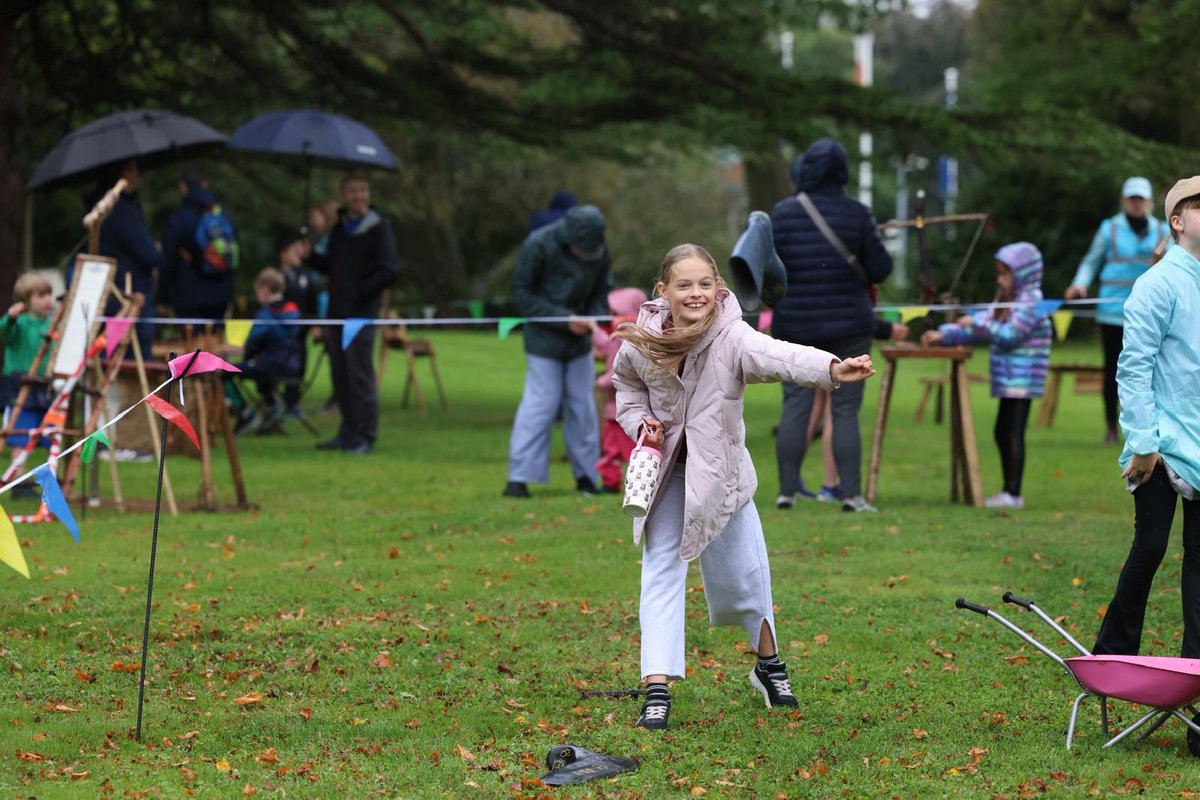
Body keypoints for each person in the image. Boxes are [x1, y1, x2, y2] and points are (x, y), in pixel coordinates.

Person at [611, 243, 874, 730]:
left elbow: (781, 356)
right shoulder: (641, 342)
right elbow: (625, 388)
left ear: (719, 289)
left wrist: (833, 369)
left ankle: (768, 666)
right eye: (684, 285)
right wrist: (641, 421)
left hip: (722, 478)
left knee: (747, 575)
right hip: (668, 474)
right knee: (660, 571)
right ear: (662, 290)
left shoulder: (733, 338)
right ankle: (656, 687)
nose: (695, 294)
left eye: (705, 284)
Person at [1093, 176, 1200, 659]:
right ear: (1177, 222)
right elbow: (1132, 369)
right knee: (1150, 549)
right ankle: (1114, 657)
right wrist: (1143, 442)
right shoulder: (1157, 284)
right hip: (1159, 444)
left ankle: (1194, 680)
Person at [770, 138, 893, 512]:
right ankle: (852, 495)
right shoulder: (857, 213)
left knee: (795, 406)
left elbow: (767, 273)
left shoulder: (782, 213)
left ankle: (786, 492)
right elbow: (881, 269)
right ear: (843, 172)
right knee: (844, 411)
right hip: (849, 326)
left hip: (796, 325)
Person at [921, 243, 1052, 509]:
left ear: (1023, 274)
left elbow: (1008, 336)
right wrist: (944, 334)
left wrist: (977, 323)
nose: (1000, 279)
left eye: (1006, 274)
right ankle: (1008, 491)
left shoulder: (1032, 302)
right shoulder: (1005, 301)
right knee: (1002, 431)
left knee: (1011, 432)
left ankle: (1013, 494)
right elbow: (980, 328)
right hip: (1009, 380)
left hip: (1022, 380)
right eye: (1000, 274)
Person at [502, 205, 612, 498]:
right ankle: (518, 479)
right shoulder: (537, 245)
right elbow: (523, 294)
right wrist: (562, 319)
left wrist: (591, 318)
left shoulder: (601, 250)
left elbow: (602, 293)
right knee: (541, 405)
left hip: (580, 343)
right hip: (542, 342)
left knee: (583, 408)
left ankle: (588, 477)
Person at [1065, 177, 1168, 443]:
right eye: (1132, 199)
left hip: (1150, 312)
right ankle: (1111, 427)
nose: (1136, 204)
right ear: (1124, 200)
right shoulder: (1109, 228)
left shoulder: (1163, 229)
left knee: (1152, 370)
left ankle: (1149, 426)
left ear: (1148, 202)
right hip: (1112, 311)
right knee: (1113, 370)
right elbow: (1091, 261)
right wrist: (1079, 284)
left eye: (1141, 199)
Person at [312, 174, 399, 454]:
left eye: (363, 190)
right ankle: (348, 431)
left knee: (360, 375)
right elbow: (331, 267)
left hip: (360, 314)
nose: (359, 196)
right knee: (341, 376)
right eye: (353, 191)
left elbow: (388, 270)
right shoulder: (340, 229)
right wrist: (307, 257)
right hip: (336, 313)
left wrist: (359, 292)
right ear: (343, 195)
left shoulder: (379, 228)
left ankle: (365, 434)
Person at [87, 160, 162, 357]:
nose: (135, 174)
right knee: (121, 357)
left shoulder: (100, 204)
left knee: (110, 353)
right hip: (126, 296)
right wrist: (155, 251)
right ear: (123, 173)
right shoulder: (122, 210)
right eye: (132, 169)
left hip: (112, 293)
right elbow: (148, 254)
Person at [160, 172, 236, 325]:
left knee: (191, 344)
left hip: (188, 294)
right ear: (205, 184)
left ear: (183, 188)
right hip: (220, 294)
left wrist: (162, 297)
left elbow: (168, 259)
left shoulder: (178, 219)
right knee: (215, 344)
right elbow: (232, 256)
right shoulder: (223, 217)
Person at [592, 286, 648, 492]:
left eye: (615, 312)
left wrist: (603, 381)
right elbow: (606, 346)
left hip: (626, 409)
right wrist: (592, 329)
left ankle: (639, 484)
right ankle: (610, 482)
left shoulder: (630, 338)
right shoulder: (619, 335)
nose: (611, 317)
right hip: (612, 409)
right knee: (610, 449)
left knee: (631, 450)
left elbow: (622, 371)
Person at [234, 268, 303, 434]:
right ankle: (272, 407)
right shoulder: (294, 312)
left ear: (264, 290)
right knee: (260, 373)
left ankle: (245, 411)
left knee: (223, 371)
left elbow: (251, 345)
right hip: (293, 366)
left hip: (270, 366)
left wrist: (245, 355)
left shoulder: (265, 314)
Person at [275, 229, 323, 415]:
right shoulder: (277, 276)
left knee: (300, 364)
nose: (298, 255)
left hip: (301, 329)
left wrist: (316, 324)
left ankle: (292, 402)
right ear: (283, 254)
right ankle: (276, 400)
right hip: (281, 330)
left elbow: (313, 301)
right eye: (294, 251)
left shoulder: (305, 276)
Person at [1, 274, 54, 412]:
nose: (48, 299)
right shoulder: (18, 322)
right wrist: (10, 319)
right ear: (25, 301)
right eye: (41, 296)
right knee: (19, 428)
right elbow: (4, 333)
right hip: (19, 385)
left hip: (45, 385)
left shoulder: (53, 324)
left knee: (45, 430)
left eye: (49, 294)